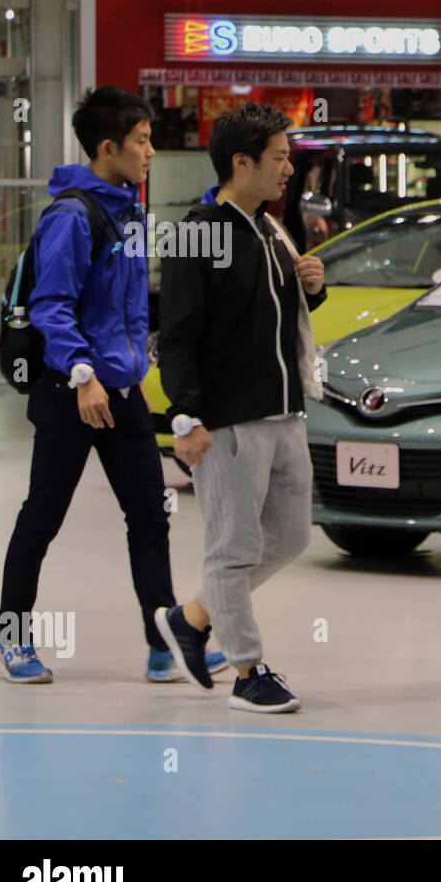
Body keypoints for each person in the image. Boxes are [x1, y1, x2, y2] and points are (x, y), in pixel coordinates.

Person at [0, 85, 228, 684]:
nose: (151, 152)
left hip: (120, 395)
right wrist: (84, 375)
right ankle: (10, 641)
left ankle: (161, 644)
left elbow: (129, 307)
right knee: (42, 516)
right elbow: (52, 307)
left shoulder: (128, 210)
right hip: (72, 392)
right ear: (107, 147)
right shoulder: (73, 216)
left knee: (150, 515)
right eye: (142, 141)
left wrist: (132, 373)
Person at [156, 102, 326, 713]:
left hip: (283, 412)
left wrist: (313, 287)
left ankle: (192, 617)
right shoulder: (197, 233)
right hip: (227, 420)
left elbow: (273, 323)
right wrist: (186, 416)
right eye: (280, 158)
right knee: (231, 549)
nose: (289, 170)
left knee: (289, 536)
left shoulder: (271, 229)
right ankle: (248, 670)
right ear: (241, 162)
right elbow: (175, 336)